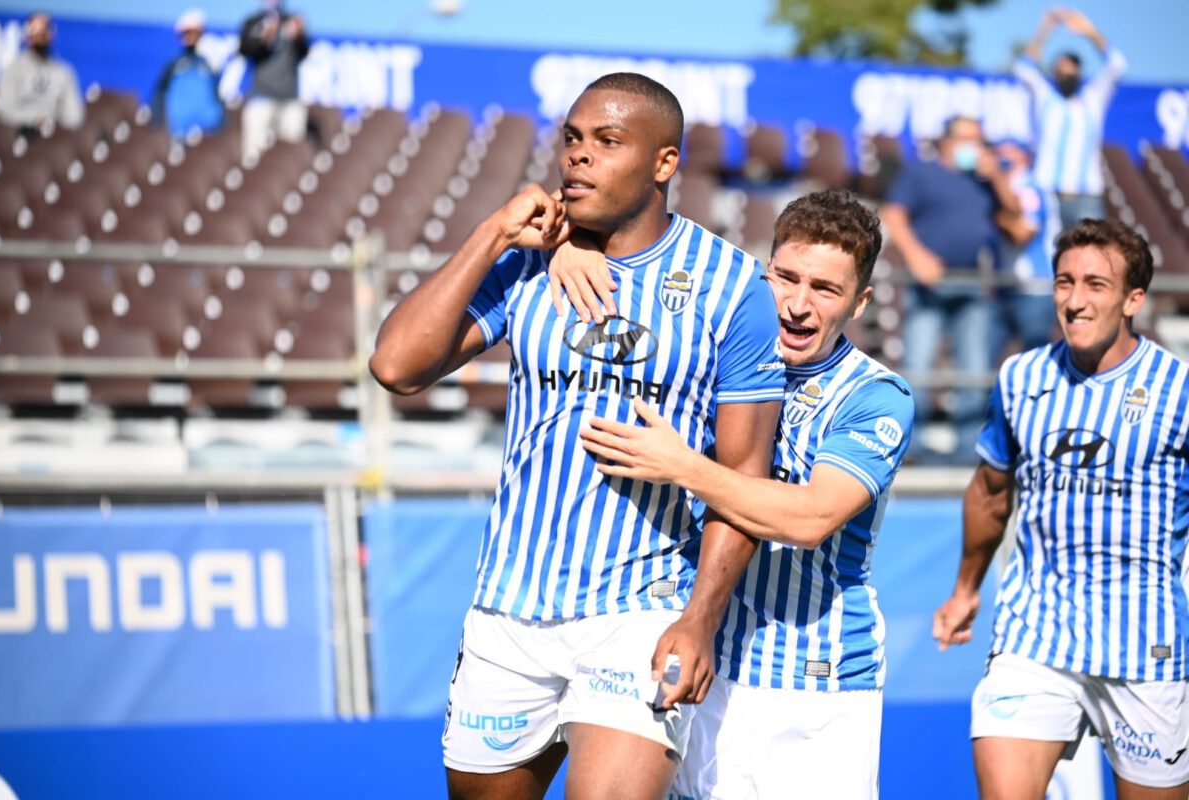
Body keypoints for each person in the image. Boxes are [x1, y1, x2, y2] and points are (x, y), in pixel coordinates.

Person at [368, 73, 785, 800]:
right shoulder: (530, 262)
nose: (578, 158)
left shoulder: (732, 287)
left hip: (640, 610)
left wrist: (699, 619)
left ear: (664, 163)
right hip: (508, 613)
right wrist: (494, 231)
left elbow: (745, 476)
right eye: (572, 139)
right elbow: (396, 366)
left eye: (607, 141)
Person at [565, 188, 915, 798]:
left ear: (858, 303)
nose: (797, 305)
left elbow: (811, 518)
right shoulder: (712, 360)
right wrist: (570, 247)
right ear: (763, 271)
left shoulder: (876, 395)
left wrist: (682, 466)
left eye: (825, 290)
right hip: (705, 664)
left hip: (818, 685)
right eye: (786, 278)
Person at [932, 219, 1189, 800]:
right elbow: (991, 491)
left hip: (1143, 645)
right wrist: (966, 588)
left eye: (1096, 285)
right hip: (1035, 637)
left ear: (1133, 299)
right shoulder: (1022, 378)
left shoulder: (1178, 390)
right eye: (1064, 282)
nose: (1074, 301)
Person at [882, 115, 1020, 465]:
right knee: (918, 362)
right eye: (965, 138)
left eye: (979, 139)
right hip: (928, 281)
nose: (973, 146)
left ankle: (968, 448)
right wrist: (917, 257)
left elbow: (1015, 212)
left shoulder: (983, 179)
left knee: (973, 367)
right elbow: (894, 215)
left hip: (972, 282)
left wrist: (997, 176)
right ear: (945, 141)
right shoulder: (921, 172)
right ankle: (909, 447)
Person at [1014, 7, 1126, 230]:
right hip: (1047, 193)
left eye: (1071, 70)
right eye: (1061, 70)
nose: (1066, 75)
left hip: (1085, 196)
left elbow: (1117, 65)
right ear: (1054, 74)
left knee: (1091, 255)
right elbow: (1023, 68)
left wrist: (1088, 31)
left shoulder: (1093, 100)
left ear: (1079, 73)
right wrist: (1045, 29)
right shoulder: (1046, 99)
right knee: (1045, 258)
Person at [992, 140, 1060, 356]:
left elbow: (1022, 233)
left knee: (1034, 356)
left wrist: (998, 219)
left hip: (1035, 285)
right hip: (1009, 285)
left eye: (1010, 151)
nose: (1003, 155)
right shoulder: (1006, 187)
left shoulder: (1029, 187)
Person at [0, 11, 83, 136]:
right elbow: (5, 111)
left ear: (51, 34)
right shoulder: (13, 70)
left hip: (54, 137)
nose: (41, 36)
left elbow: (74, 115)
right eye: (36, 31)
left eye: (44, 31)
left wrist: (53, 122)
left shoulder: (63, 72)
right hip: (18, 135)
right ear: (27, 35)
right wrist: (35, 119)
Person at [238, 0, 309, 161]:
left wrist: (299, 37)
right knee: (253, 153)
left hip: (289, 97)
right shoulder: (253, 22)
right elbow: (244, 50)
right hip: (261, 96)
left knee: (291, 153)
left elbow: (304, 53)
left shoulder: (292, 20)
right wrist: (264, 38)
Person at [151, 9, 225, 139]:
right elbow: (159, 93)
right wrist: (156, 121)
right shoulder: (174, 65)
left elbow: (216, 96)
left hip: (207, 131)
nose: (190, 37)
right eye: (186, 33)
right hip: (178, 130)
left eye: (194, 33)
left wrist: (220, 124)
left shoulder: (208, 66)